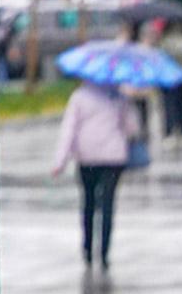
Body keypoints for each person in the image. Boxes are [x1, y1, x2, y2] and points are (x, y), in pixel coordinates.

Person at [52, 80, 140, 269]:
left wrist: (60, 161)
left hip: (87, 158)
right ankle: (104, 251)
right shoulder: (118, 96)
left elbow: (69, 129)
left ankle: (87, 248)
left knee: (88, 202)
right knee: (108, 203)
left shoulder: (79, 97)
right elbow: (132, 128)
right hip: (113, 159)